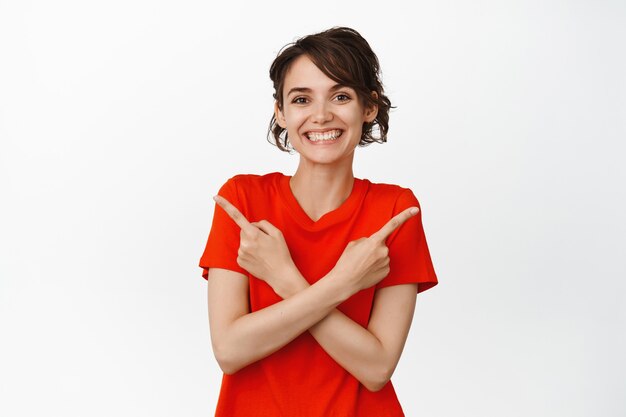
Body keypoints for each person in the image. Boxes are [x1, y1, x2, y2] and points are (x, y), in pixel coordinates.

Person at [199, 26, 438, 417]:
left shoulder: (395, 209)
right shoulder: (242, 200)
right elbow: (230, 351)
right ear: (281, 112)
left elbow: (377, 368)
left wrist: (284, 278)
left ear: (369, 107)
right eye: (301, 99)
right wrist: (343, 283)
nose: (321, 115)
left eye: (341, 96)